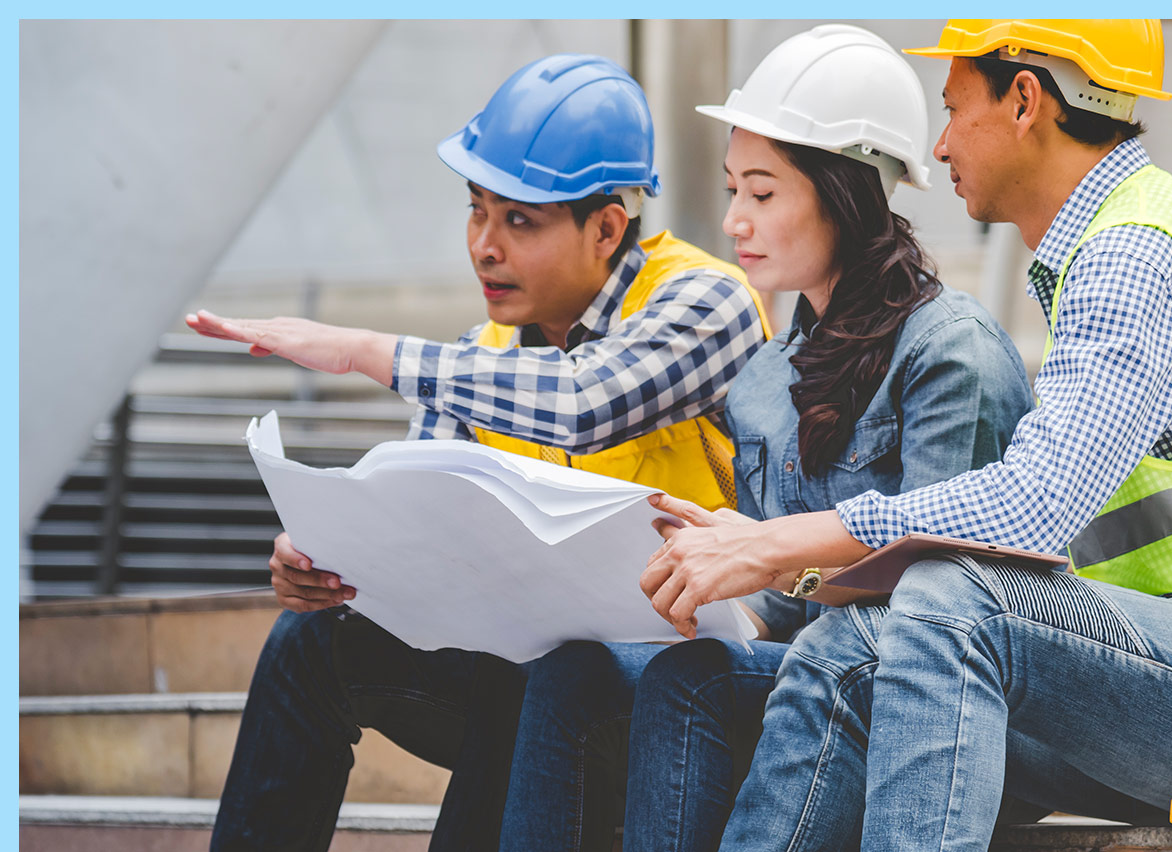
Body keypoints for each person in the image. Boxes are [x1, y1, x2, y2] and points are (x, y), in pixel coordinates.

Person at [640, 19, 1172, 852]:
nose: (937, 149)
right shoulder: (1104, 249)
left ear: (1024, 100)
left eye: (952, 109)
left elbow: (1032, 506)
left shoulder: (1139, 253)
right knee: (848, 658)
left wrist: (774, 545)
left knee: (949, 597)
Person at [190, 54, 770, 852]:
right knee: (315, 639)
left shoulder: (707, 302)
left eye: (518, 221)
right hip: (522, 679)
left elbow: (582, 400)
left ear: (606, 226)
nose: (483, 248)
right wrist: (331, 559)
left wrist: (364, 349)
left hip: (673, 691)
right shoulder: (479, 356)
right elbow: (418, 524)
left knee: (541, 672)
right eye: (476, 212)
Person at [494, 26, 1034, 852]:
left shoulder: (949, 352)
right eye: (731, 189)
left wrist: (776, 562)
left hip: (905, 687)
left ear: (844, 193)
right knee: (576, 669)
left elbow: (945, 603)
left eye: (762, 193)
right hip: (790, 664)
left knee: (694, 681)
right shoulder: (761, 377)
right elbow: (775, 603)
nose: (733, 219)